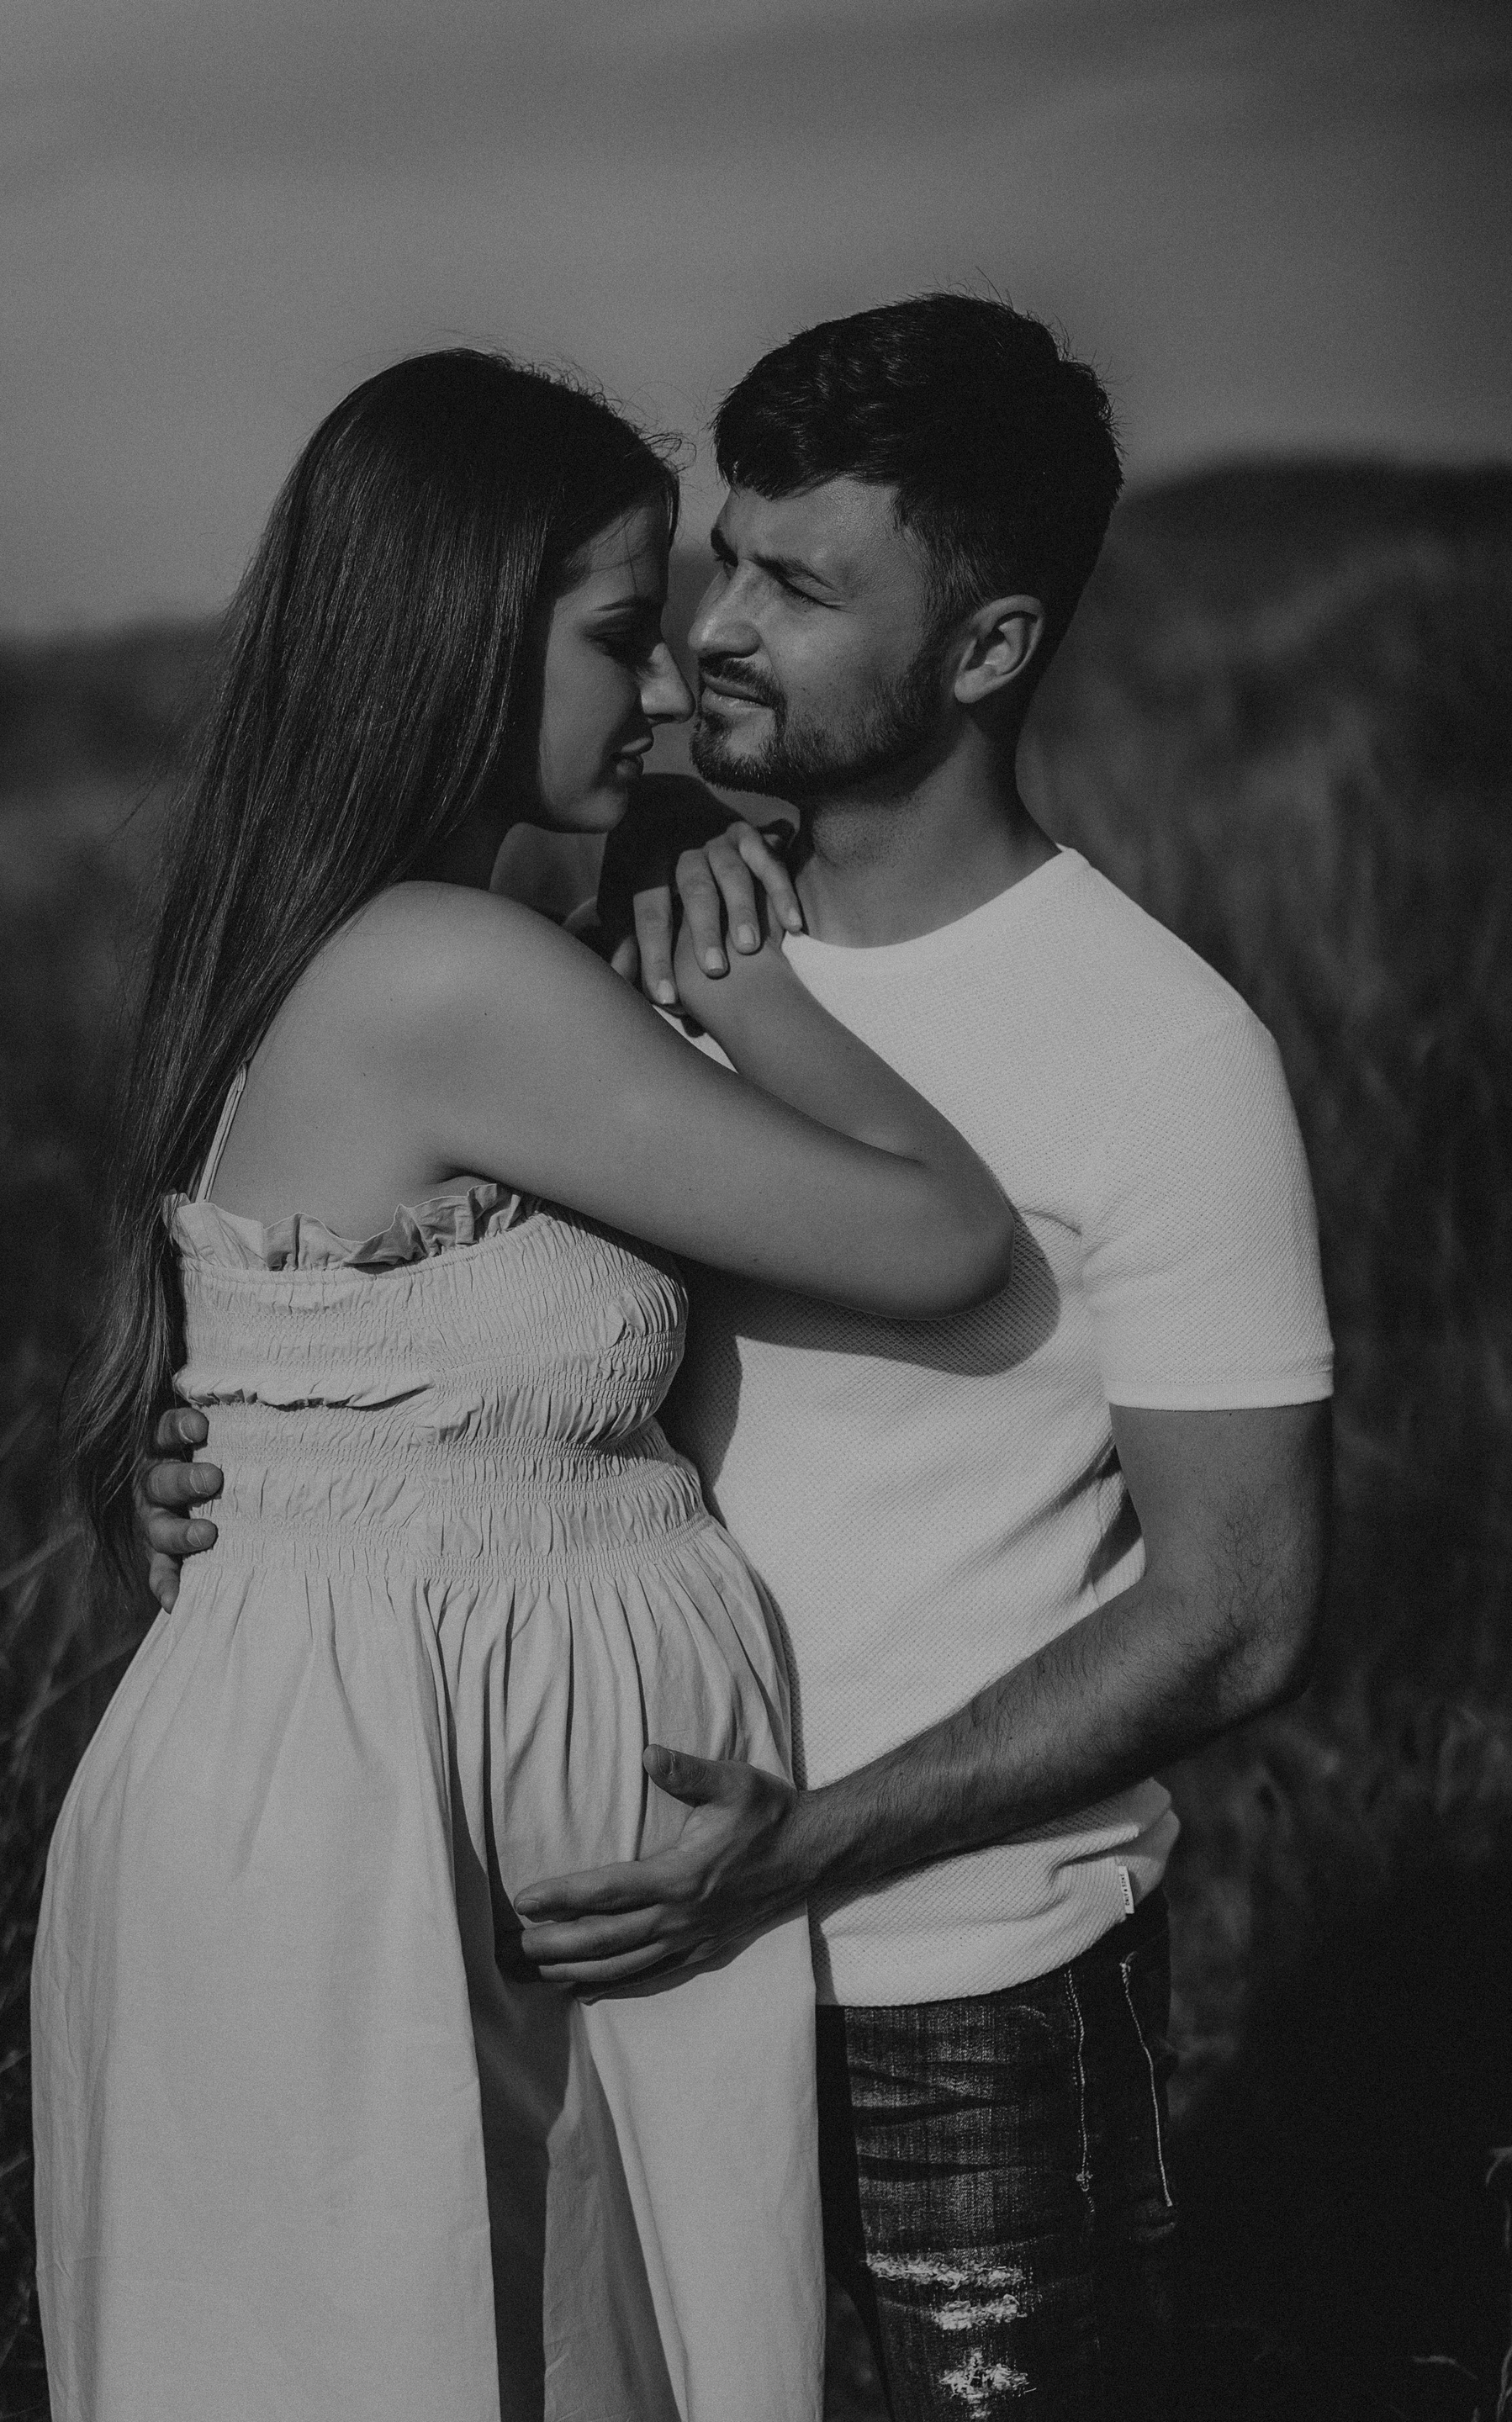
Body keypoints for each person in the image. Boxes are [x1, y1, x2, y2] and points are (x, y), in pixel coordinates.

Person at [143, 296, 1335, 2421]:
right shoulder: (605, 961)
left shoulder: (1164, 1053)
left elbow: (1242, 1613)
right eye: (717, 567)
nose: (715, 635)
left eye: (801, 587)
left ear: (987, 648)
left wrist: (820, 1842)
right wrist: (224, 1457)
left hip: (963, 1977)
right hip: (625, 1971)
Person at [38, 348, 1013, 2422]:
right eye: (614, 638)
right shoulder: (448, 974)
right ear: (458, 643)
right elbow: (939, 1237)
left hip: (435, 1844)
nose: (666, 693)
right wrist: (737, 966)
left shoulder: (376, 941)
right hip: (380, 1859)